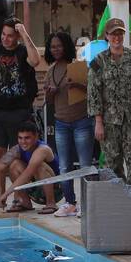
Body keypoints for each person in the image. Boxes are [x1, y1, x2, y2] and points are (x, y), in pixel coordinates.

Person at [87, 16, 131, 185]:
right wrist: (98, 122)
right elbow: (94, 94)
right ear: (107, 36)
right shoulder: (98, 62)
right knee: (112, 164)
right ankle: (117, 201)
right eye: (113, 34)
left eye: (120, 34)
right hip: (109, 122)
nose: (117, 38)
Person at [0, 18, 42, 176]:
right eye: (3, 34)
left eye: (10, 35)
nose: (5, 38)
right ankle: (0, 197)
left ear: (17, 37)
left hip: (19, 112)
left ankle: (18, 197)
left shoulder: (23, 51)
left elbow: (35, 61)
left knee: (18, 157)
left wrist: (24, 32)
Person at [43, 31, 88, 216]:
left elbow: (92, 91)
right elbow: (49, 101)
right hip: (61, 122)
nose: (56, 49)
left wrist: (77, 86)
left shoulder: (78, 66)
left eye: (59, 46)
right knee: (64, 165)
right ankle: (70, 202)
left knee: (85, 165)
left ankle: (87, 204)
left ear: (67, 46)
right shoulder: (51, 70)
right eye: (53, 47)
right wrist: (50, 92)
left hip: (82, 121)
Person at [0, 123, 59, 212]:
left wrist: (6, 194)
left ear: (36, 136)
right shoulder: (17, 149)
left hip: (56, 189)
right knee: (14, 164)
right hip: (35, 188)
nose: (23, 142)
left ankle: (51, 203)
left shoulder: (42, 149)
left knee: (39, 166)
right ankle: (24, 202)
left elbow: (28, 173)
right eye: (20, 138)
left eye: (27, 138)